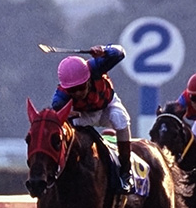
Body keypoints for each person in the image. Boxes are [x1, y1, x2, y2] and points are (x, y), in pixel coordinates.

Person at [51, 44, 134, 193]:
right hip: (84, 115)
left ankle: (125, 172)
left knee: (121, 118)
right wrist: (67, 114)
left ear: (88, 79)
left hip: (107, 105)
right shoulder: (60, 97)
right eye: (72, 90)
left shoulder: (94, 68)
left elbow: (119, 53)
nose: (77, 93)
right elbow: (55, 109)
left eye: (81, 87)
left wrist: (104, 50)